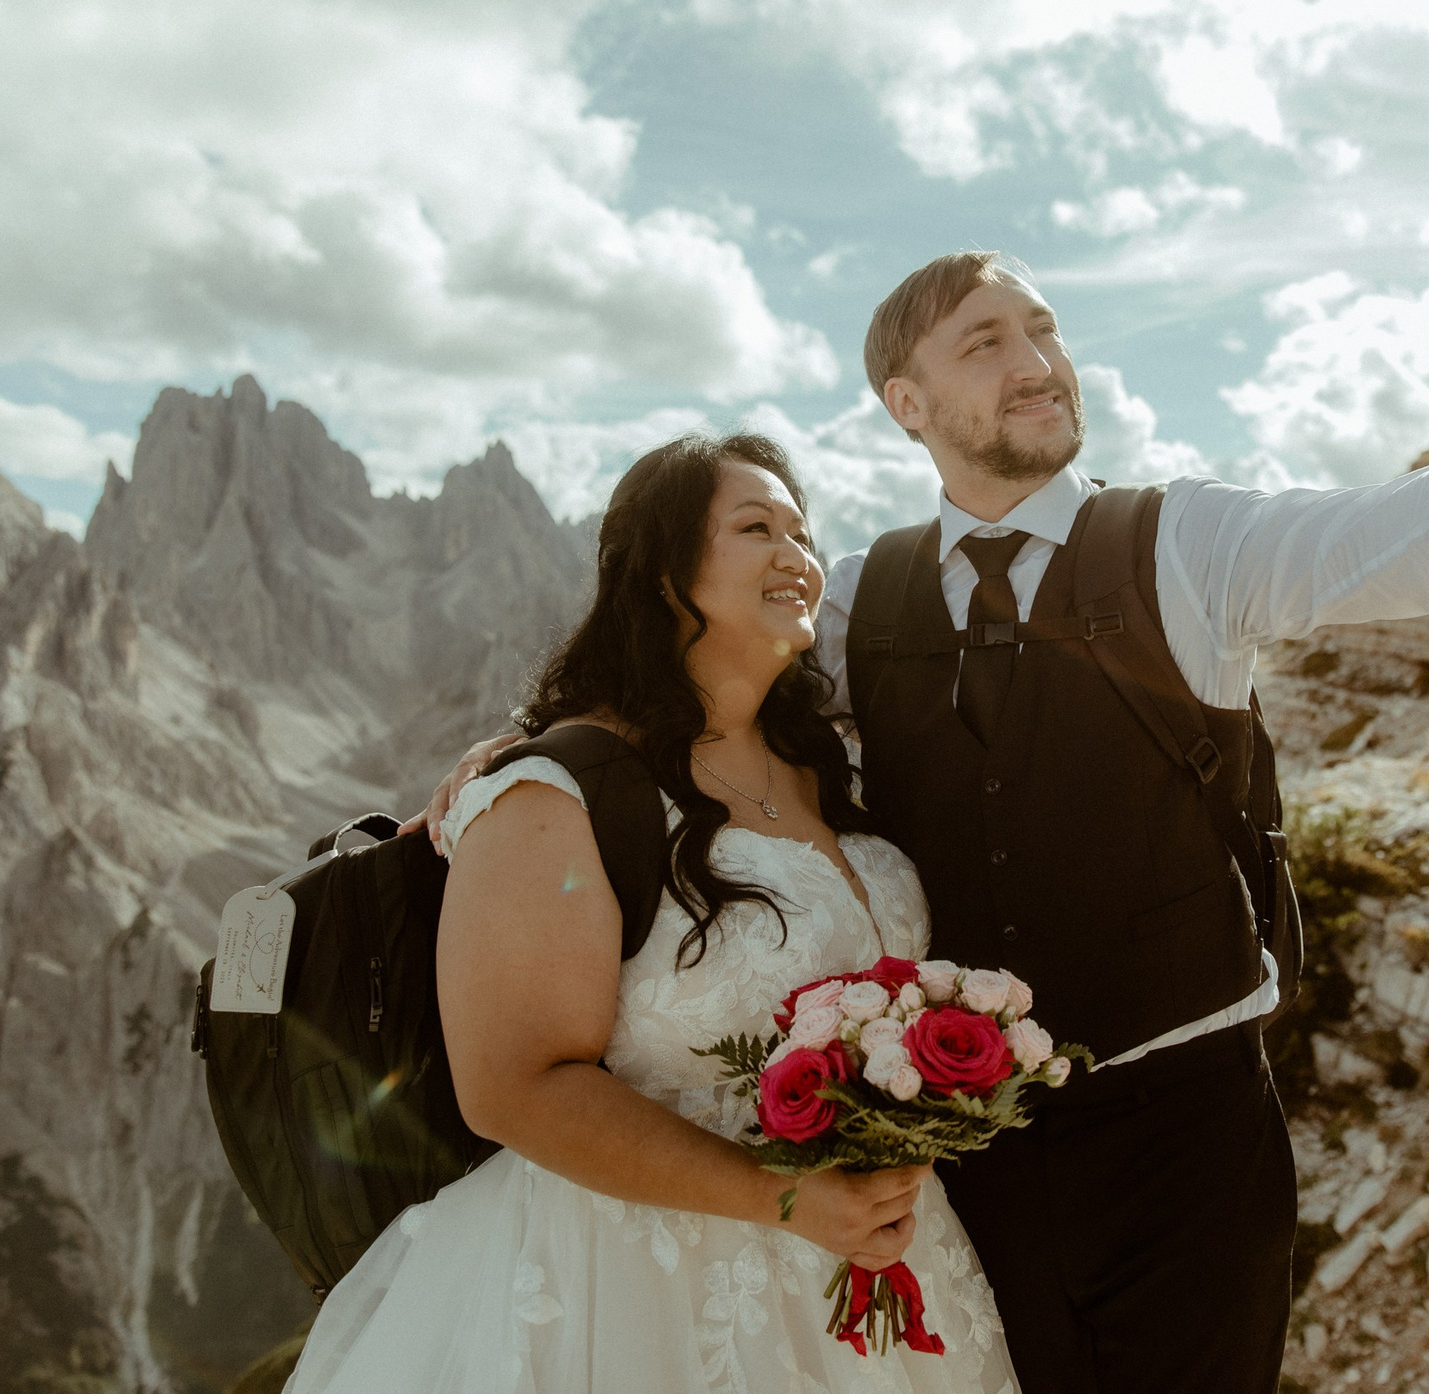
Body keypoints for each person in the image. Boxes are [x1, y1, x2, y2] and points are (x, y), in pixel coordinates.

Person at [419, 137, 1429, 1392]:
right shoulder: (859, 600)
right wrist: (534, 752)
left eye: (1043, 329)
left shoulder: (1187, 544)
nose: (1035, 359)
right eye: (986, 340)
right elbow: (695, 711)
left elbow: (1414, 535)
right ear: (907, 402)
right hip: (970, 1166)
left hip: (1189, 1144)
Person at [297, 433, 1018, 1393]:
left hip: (874, 1268)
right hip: (633, 1296)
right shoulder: (553, 792)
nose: (797, 556)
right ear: (664, 572)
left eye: (803, 534)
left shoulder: (835, 762)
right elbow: (513, 1085)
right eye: (756, 527)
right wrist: (790, 1199)